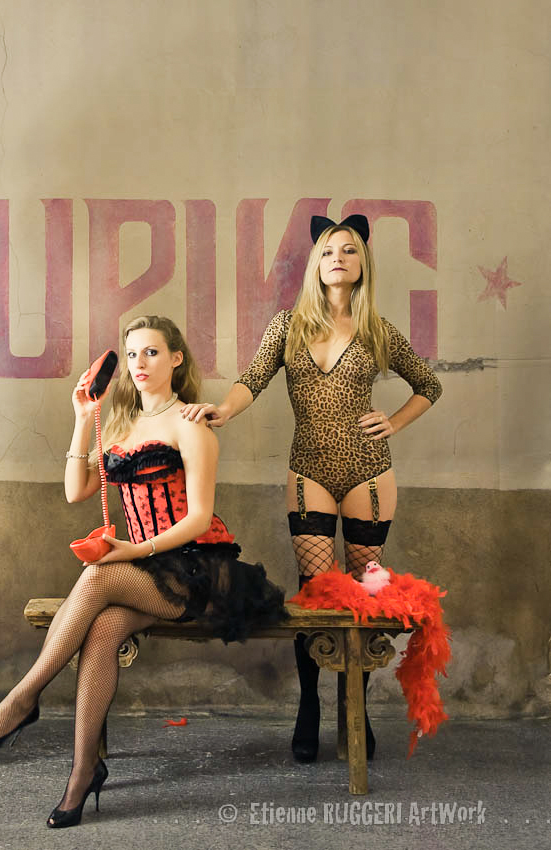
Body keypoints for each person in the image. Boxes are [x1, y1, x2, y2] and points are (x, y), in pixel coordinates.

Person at [0, 315, 287, 828]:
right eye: (132, 354)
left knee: (97, 576)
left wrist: (135, 550)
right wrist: (82, 416)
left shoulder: (190, 423)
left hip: (198, 570)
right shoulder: (118, 425)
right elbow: (76, 491)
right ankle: (83, 772)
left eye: (152, 352)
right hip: (145, 570)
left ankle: (23, 698)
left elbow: (199, 517)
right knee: (104, 631)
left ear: (176, 359)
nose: (139, 363)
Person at [181, 214, 442, 762]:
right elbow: (252, 379)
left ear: (362, 263)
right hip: (309, 470)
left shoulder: (376, 329)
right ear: (315, 265)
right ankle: (309, 706)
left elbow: (428, 385)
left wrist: (393, 422)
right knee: (317, 594)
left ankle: (355, 707)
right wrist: (222, 410)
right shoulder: (289, 325)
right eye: (327, 251)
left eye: (348, 250)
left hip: (370, 471)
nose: (337, 259)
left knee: (366, 595)